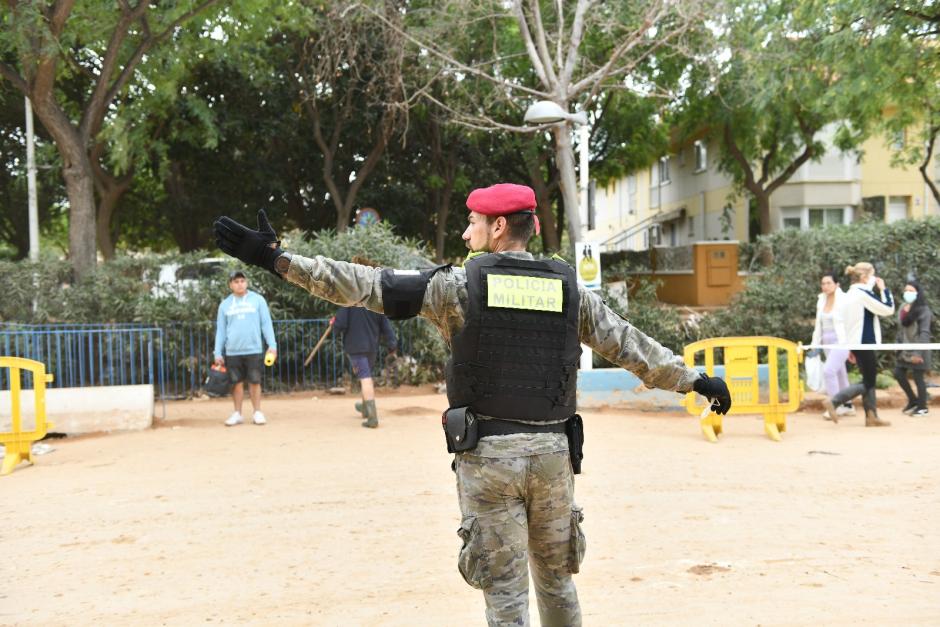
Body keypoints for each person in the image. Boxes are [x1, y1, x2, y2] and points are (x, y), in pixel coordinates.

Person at [213, 185, 731, 626]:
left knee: (505, 594)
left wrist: (276, 259)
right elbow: (629, 345)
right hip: (553, 456)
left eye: (473, 223)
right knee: (557, 583)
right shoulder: (570, 289)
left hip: (488, 460)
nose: (466, 233)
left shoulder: (457, 288)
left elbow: (363, 284)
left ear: (499, 227)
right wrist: (695, 379)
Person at [821, 262, 894, 427]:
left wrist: (849, 347)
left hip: (854, 343)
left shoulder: (847, 295)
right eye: (873, 275)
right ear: (865, 277)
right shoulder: (862, 294)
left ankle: (871, 416)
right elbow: (888, 309)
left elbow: (845, 324)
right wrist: (883, 289)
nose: (874, 279)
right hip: (864, 343)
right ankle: (835, 401)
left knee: (868, 378)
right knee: (869, 381)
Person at [333, 266, 398, 428]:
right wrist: (392, 345)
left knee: (364, 377)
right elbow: (386, 326)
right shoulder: (375, 303)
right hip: (371, 347)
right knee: (366, 375)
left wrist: (334, 326)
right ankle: (365, 408)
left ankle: (372, 416)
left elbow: (340, 325)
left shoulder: (349, 302)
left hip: (355, 347)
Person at [213, 270, 277, 426]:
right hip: (233, 350)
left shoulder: (258, 300)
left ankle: (257, 412)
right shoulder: (225, 305)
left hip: (253, 349)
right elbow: (221, 330)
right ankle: (237, 413)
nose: (239, 284)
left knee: (255, 381)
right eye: (236, 281)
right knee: (236, 383)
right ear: (230, 285)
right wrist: (217, 352)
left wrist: (272, 345)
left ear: (246, 282)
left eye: (242, 281)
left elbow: (266, 324)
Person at [810, 271, 854, 418]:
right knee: (840, 373)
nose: (825, 286)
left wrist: (852, 346)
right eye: (823, 283)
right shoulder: (821, 300)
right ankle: (848, 406)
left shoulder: (844, 299)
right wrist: (814, 344)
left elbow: (850, 322)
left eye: (829, 283)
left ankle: (835, 405)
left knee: (829, 371)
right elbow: (818, 325)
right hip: (826, 342)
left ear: (837, 285)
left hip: (841, 342)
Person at [893, 280, 932, 416]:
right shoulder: (902, 307)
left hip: (918, 349)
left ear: (917, 293)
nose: (908, 293)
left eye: (911, 291)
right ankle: (913, 400)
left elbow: (924, 332)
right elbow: (900, 329)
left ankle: (922, 407)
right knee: (898, 373)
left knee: (918, 377)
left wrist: (918, 353)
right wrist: (897, 347)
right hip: (904, 349)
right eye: (906, 290)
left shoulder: (924, 310)